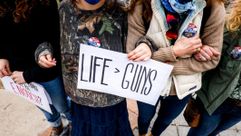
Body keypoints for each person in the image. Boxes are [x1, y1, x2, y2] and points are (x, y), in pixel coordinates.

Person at [37, 0, 152, 135]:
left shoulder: (122, 9)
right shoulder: (65, 8)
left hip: (111, 96)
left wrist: (145, 45)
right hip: (80, 94)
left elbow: (138, 36)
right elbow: (52, 38)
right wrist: (44, 51)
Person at [127, 0, 225, 135]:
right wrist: (175, 52)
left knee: (165, 119)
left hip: (182, 88)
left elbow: (211, 60)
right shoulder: (141, 3)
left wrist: (160, 60)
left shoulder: (213, 6)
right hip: (148, 81)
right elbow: (132, 55)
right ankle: (142, 133)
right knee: (144, 117)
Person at [0, 0, 71, 136]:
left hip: (46, 70)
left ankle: (73, 122)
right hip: (18, 71)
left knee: (61, 103)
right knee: (41, 103)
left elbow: (54, 40)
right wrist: (2, 56)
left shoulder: (43, 3)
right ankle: (56, 124)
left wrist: (28, 75)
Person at [187, 0, 241, 135]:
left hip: (238, 110)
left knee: (213, 133)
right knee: (200, 133)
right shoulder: (231, 29)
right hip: (216, 100)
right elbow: (208, 59)